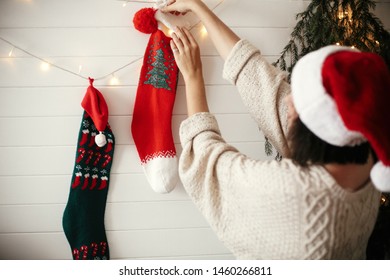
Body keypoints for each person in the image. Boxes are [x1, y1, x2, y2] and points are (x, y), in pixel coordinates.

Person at [162, 0, 390, 259]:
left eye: (300, 97)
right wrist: (199, 8)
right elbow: (261, 82)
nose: (290, 99)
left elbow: (210, 167)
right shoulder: (365, 155)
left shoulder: (296, 198)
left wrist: (193, 77)